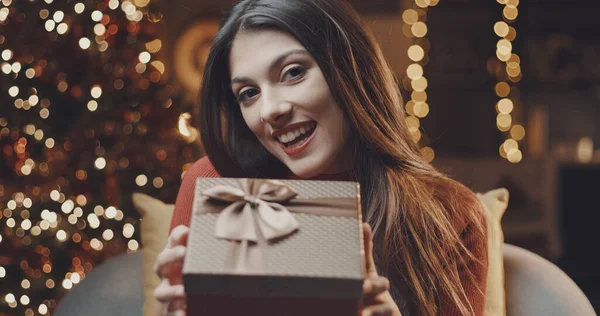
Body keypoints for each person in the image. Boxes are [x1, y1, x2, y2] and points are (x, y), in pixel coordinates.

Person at [153, 0, 488, 315]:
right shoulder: (214, 183)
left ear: (351, 68)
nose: (270, 110)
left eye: (293, 72)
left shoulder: (449, 214)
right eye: (249, 93)